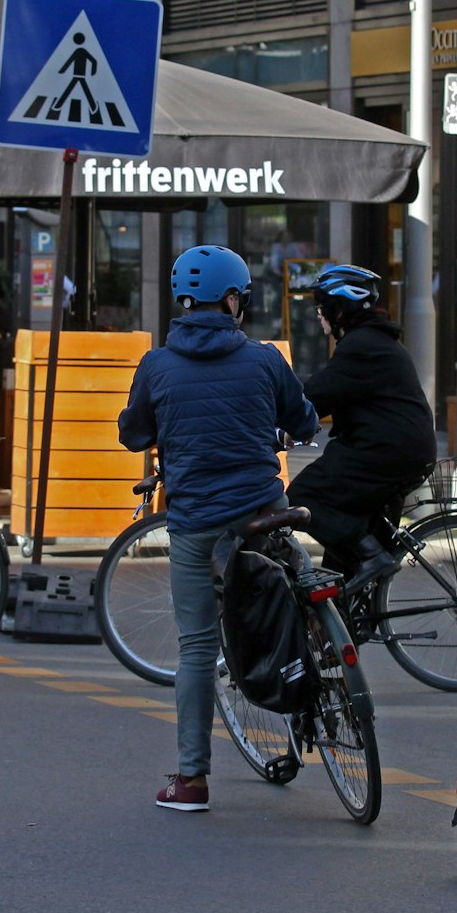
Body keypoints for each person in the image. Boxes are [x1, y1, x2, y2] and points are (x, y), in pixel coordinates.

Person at [118, 245, 320, 813]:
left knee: (199, 648)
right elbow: (303, 422)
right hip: (264, 512)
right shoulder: (263, 360)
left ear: (184, 301)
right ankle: (325, 674)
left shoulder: (156, 365)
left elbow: (134, 435)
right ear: (234, 300)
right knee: (302, 594)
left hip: (197, 523)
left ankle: (191, 781)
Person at [287, 264, 437, 586]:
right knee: (344, 558)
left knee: (304, 495)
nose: (318, 313)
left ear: (341, 309)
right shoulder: (375, 341)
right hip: (401, 451)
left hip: (383, 452)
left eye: (323, 306)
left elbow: (314, 396)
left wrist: (280, 418)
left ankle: (371, 555)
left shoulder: (362, 346)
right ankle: (353, 618)